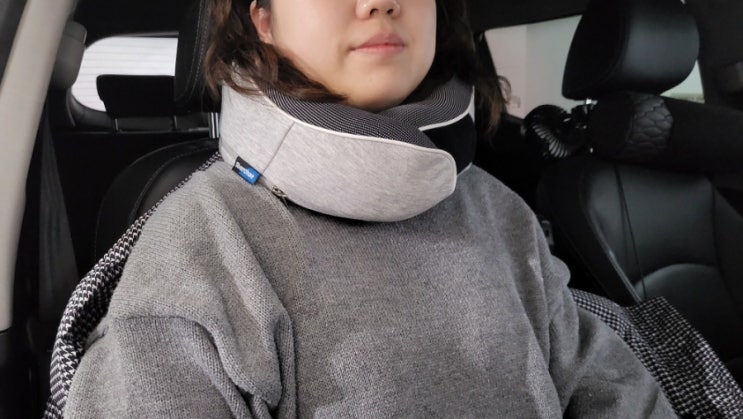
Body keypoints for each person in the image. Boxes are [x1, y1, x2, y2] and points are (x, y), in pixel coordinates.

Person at [63, 0, 677, 417]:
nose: (381, 1)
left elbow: (618, 393)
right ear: (263, 19)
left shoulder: (499, 212)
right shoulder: (199, 250)